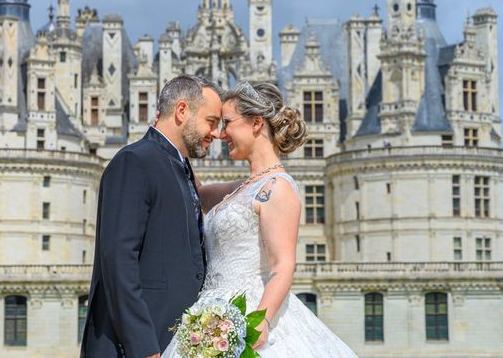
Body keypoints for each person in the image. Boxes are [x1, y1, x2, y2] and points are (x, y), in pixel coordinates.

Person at [163, 82, 358, 357]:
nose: (220, 133)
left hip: (249, 311)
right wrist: (175, 136)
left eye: (227, 123)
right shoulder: (241, 188)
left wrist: (260, 322)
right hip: (212, 310)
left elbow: (282, 266)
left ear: (256, 124)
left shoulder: (278, 188)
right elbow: (195, 192)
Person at [80, 75, 223, 358]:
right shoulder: (135, 161)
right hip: (137, 347)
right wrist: (143, 347)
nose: (216, 133)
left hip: (170, 341)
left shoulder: (179, 168)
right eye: (212, 121)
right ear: (182, 111)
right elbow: (118, 260)